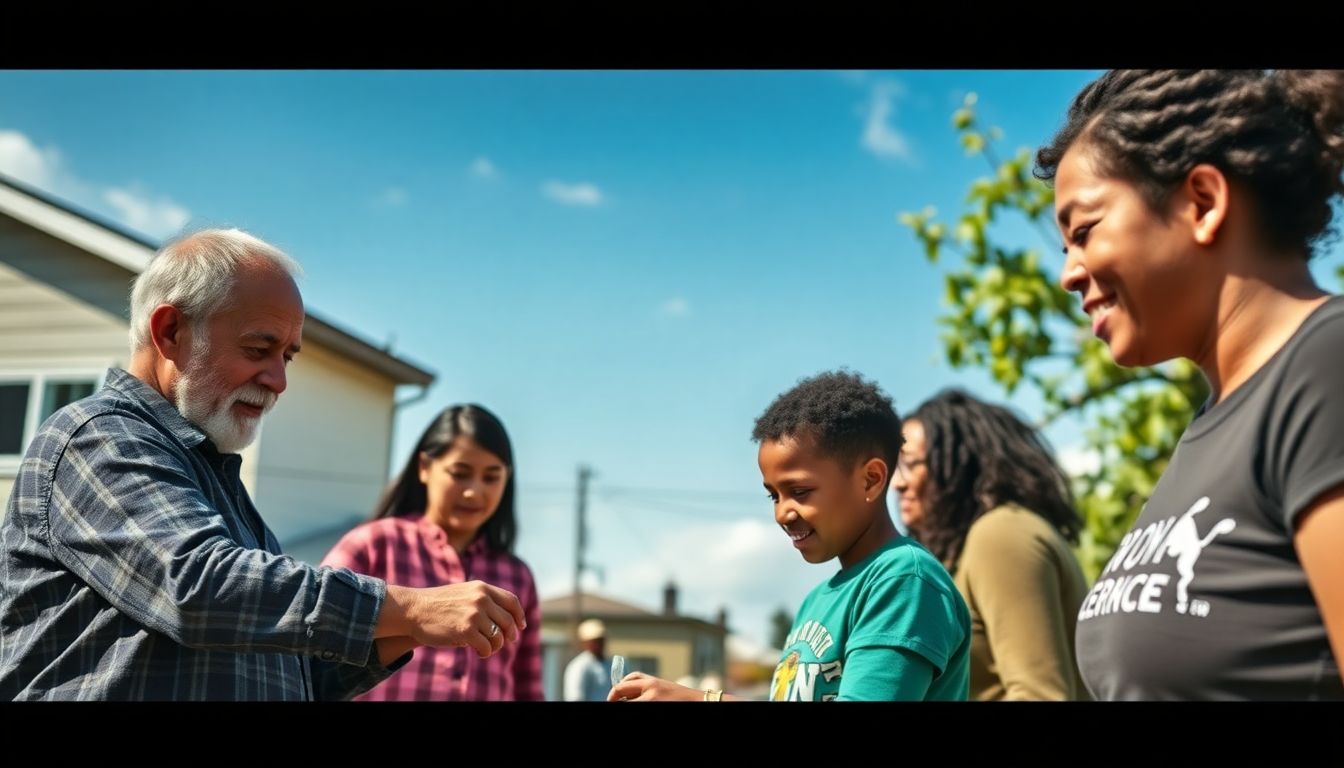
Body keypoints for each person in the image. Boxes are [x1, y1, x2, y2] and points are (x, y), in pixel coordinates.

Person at [0, 228, 525, 700]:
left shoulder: (214, 479)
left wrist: (410, 630)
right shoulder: (100, 438)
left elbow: (291, 673)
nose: (278, 379)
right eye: (258, 348)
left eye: (287, 356)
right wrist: (412, 607)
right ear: (170, 333)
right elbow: (197, 585)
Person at [1038, 69, 1344, 699]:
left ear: (1202, 201)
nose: (1068, 274)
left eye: (1084, 231)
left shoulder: (1325, 367)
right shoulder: (1214, 425)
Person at [610, 370, 971, 701]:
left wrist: (701, 699)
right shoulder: (817, 601)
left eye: (799, 491)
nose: (782, 513)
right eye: (773, 495)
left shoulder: (904, 581)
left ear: (871, 479)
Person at [321, 404, 542, 700]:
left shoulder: (518, 576)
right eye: (460, 473)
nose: (474, 491)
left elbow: (528, 689)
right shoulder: (372, 545)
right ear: (424, 467)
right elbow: (312, 633)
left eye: (491, 477)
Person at [893, 389, 1088, 700]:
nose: (898, 483)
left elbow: (1039, 694)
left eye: (911, 464)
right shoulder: (981, 541)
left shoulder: (1000, 535)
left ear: (960, 466)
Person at [563, 618, 611, 701]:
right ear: (584, 642)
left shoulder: (609, 663)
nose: (599, 644)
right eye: (594, 641)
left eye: (600, 640)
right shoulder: (579, 666)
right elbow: (575, 697)